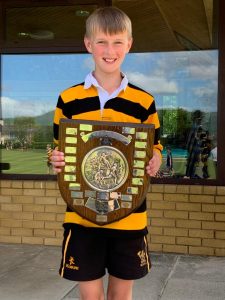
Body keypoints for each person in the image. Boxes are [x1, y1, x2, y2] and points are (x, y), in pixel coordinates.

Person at [51, 7, 162, 300]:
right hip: (81, 215)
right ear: (89, 44)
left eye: (117, 42)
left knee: (120, 297)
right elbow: (58, 150)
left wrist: (157, 158)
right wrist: (55, 160)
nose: (109, 50)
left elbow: (155, 147)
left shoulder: (144, 101)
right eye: (101, 41)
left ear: (129, 45)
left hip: (131, 217)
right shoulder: (68, 99)